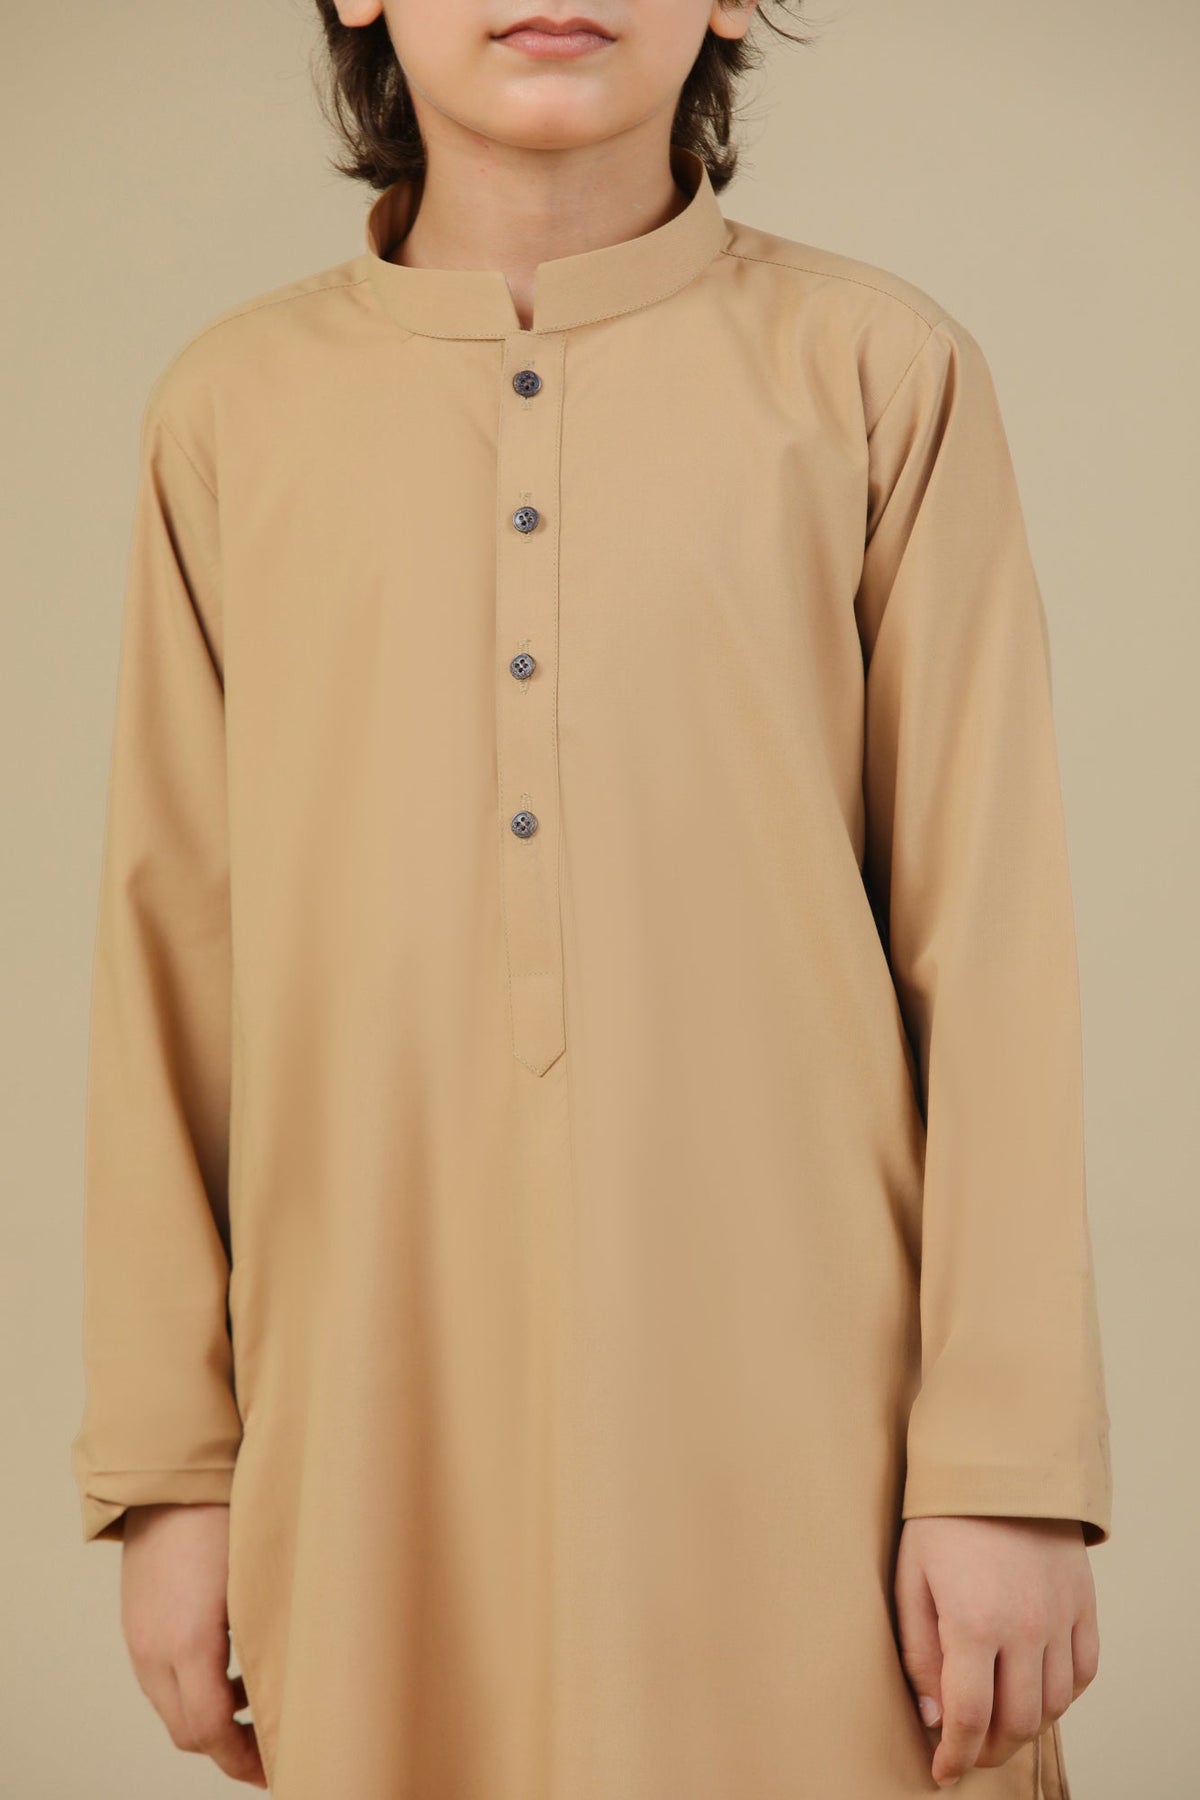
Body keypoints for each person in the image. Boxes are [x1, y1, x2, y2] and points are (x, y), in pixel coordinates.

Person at [70, 3, 1113, 1796]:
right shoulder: (229, 416)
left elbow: (991, 944)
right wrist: (172, 1472)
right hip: (378, 1436)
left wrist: (1007, 1468)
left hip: (817, 1439)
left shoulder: (876, 376)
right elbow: (167, 967)